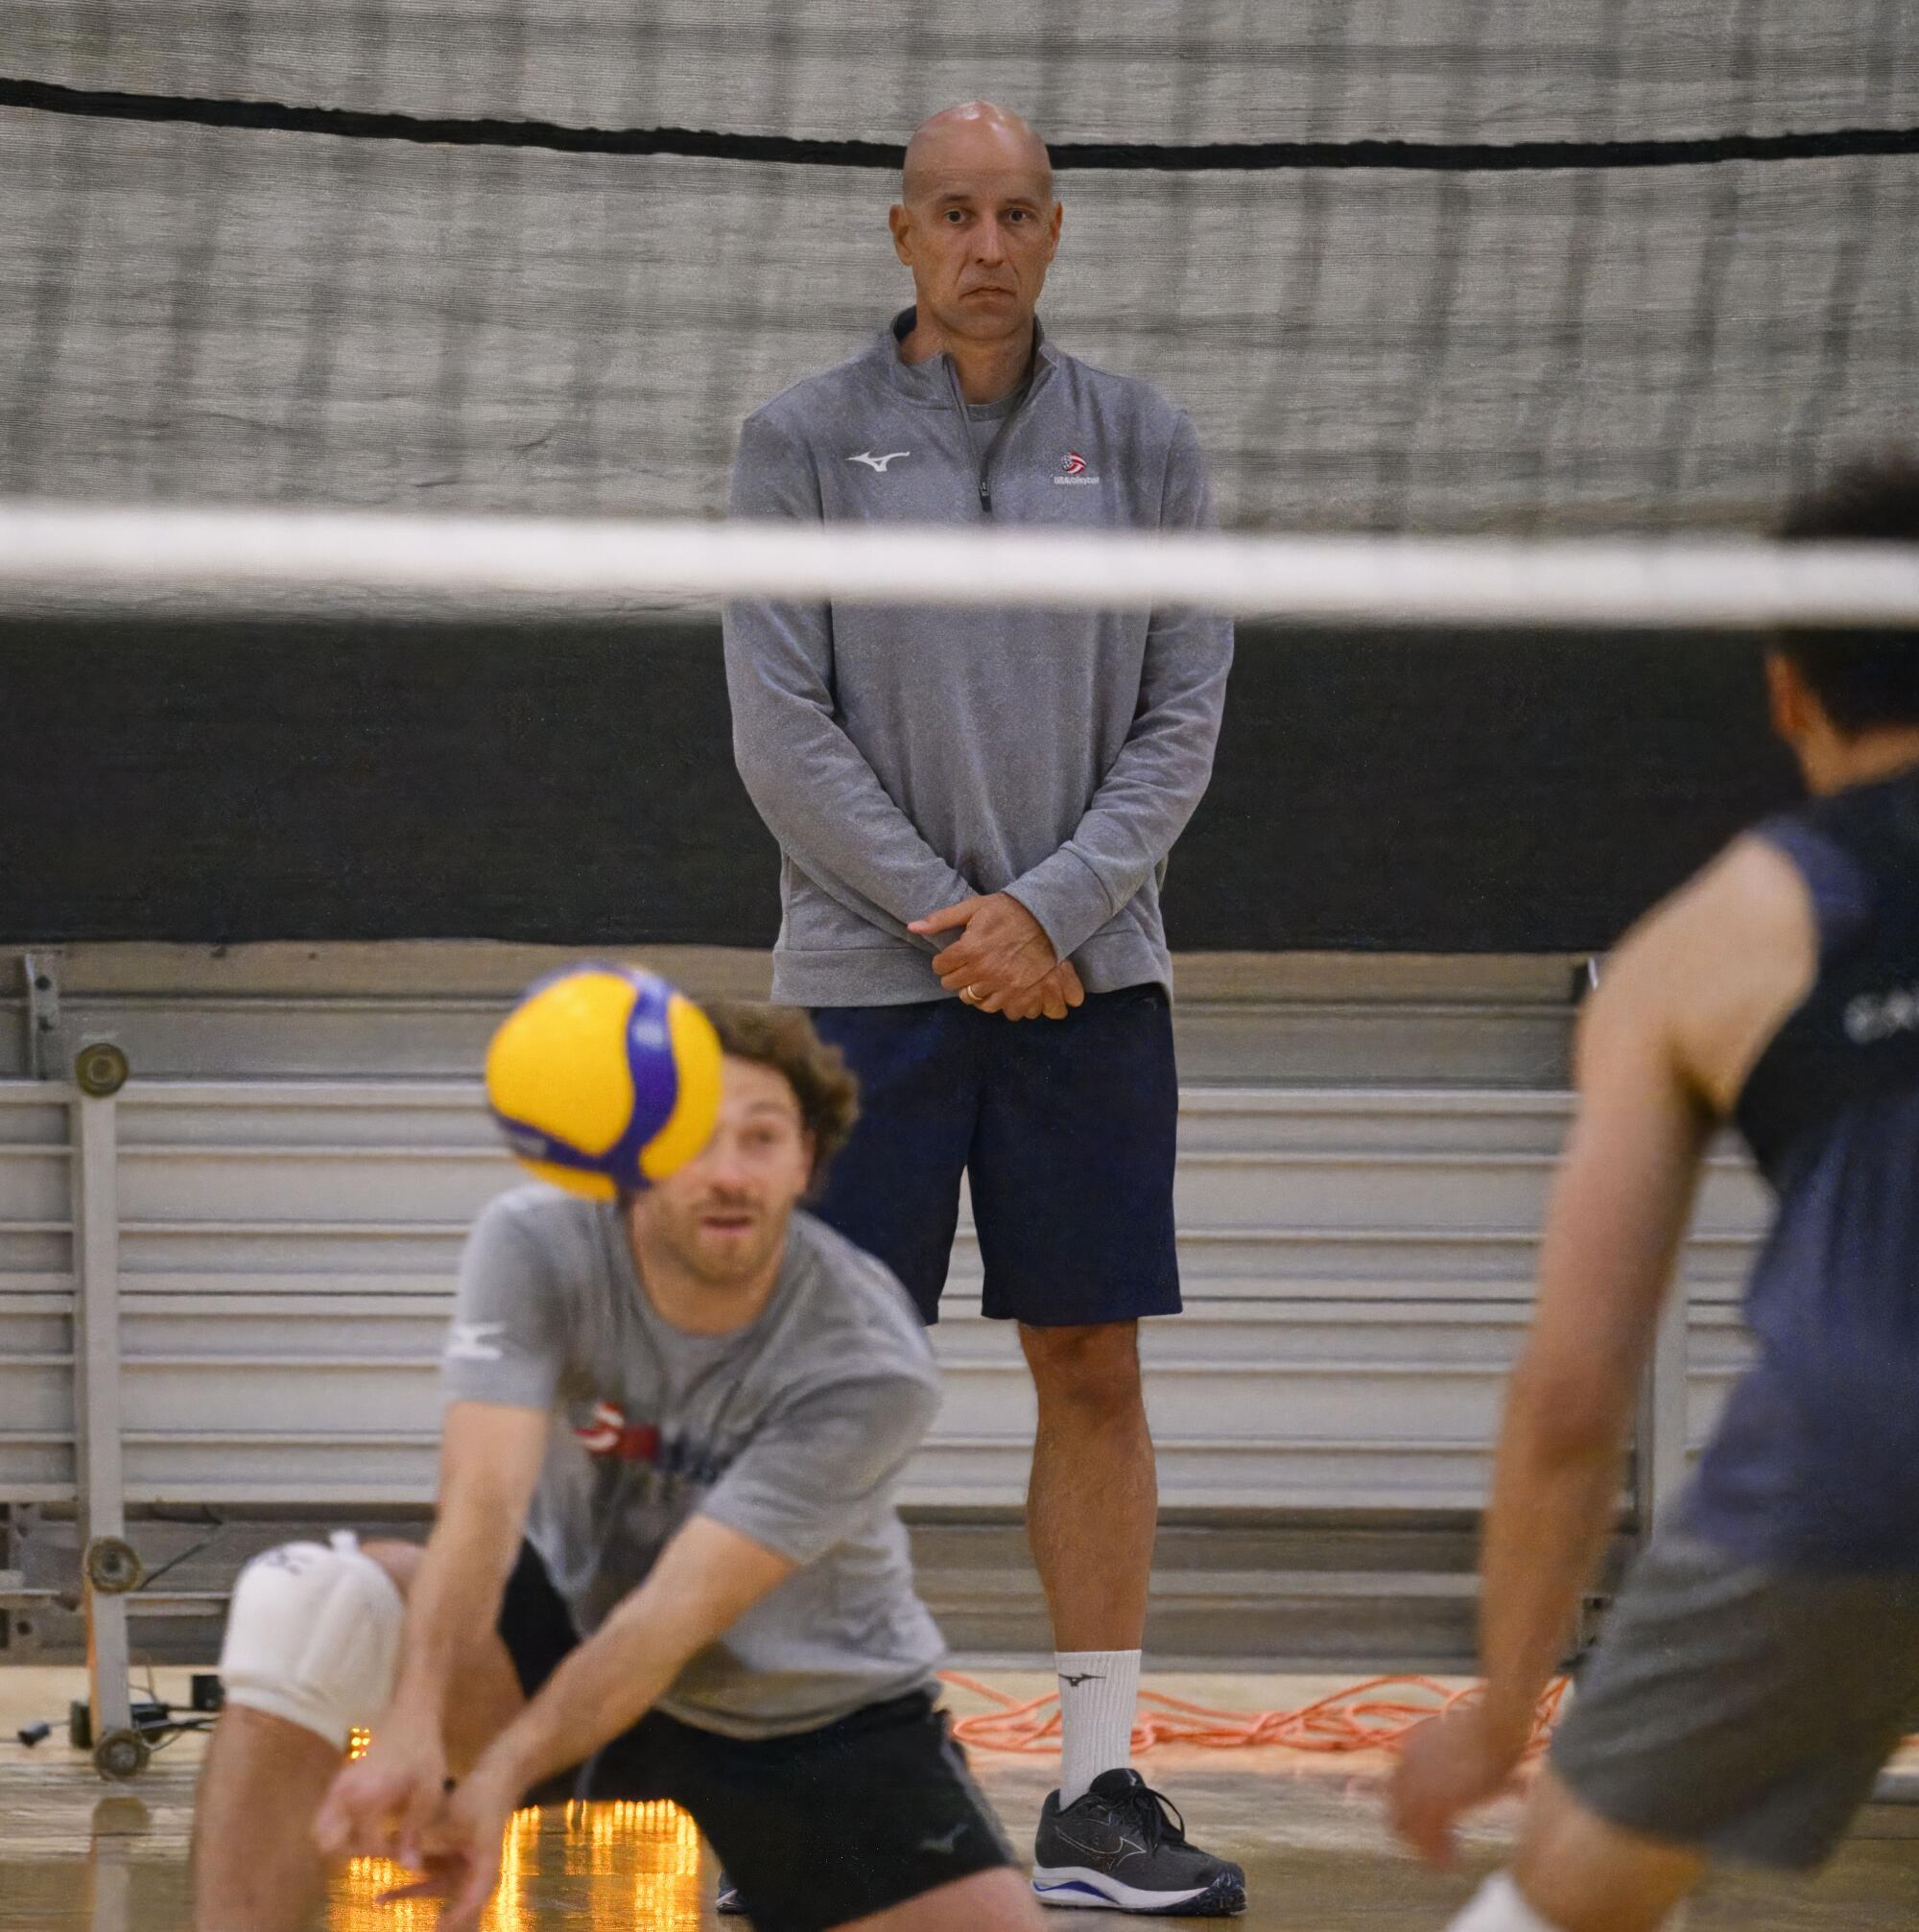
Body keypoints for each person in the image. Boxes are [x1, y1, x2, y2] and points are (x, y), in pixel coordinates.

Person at [723, 101, 1241, 1914]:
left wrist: (1050, 914)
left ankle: (1100, 1791)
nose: (988, 244)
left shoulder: (1148, 445)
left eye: (1018, 213)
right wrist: (960, 923)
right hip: (872, 989)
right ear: (901, 235)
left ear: (1056, 227)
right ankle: (802, 1796)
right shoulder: (796, 444)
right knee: (830, 1383)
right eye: (956, 212)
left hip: (1091, 984)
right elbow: (782, 733)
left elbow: (1184, 721)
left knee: (1092, 1362)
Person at [190, 1000, 1043, 1932]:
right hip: (569, 1617)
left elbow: (672, 1619)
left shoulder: (866, 1356)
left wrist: (495, 1783)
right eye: (692, 1139)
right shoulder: (537, 1242)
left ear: (805, 1160)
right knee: (308, 1600)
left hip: (805, 1706)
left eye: (761, 1139)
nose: (727, 1174)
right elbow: (481, 1504)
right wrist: (414, 1720)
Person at [1389, 459, 1919, 1932]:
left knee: (1576, 1883)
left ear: (1789, 693)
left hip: (1862, 1468)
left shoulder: (1706, 940)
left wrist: (1501, 1709)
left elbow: (1575, 1391)